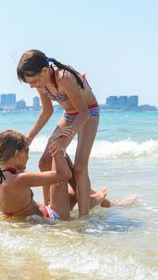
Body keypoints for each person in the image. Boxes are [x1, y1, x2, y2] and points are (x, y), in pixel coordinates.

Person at [17, 49, 99, 217]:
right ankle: (49, 210)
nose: (32, 86)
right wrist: (29, 138)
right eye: (29, 83)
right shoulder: (42, 83)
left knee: (80, 167)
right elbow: (46, 111)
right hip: (69, 115)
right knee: (44, 161)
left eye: (33, 81)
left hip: (88, 113)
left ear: (45, 71)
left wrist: (64, 140)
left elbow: (84, 112)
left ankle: (84, 218)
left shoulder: (63, 78)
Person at [0, 130, 107, 220]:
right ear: (17, 154)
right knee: (60, 155)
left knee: (73, 194)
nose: (28, 156)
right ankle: (88, 201)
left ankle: (87, 200)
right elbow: (64, 174)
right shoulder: (21, 179)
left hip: (39, 214)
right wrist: (54, 148)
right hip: (55, 218)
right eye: (27, 151)